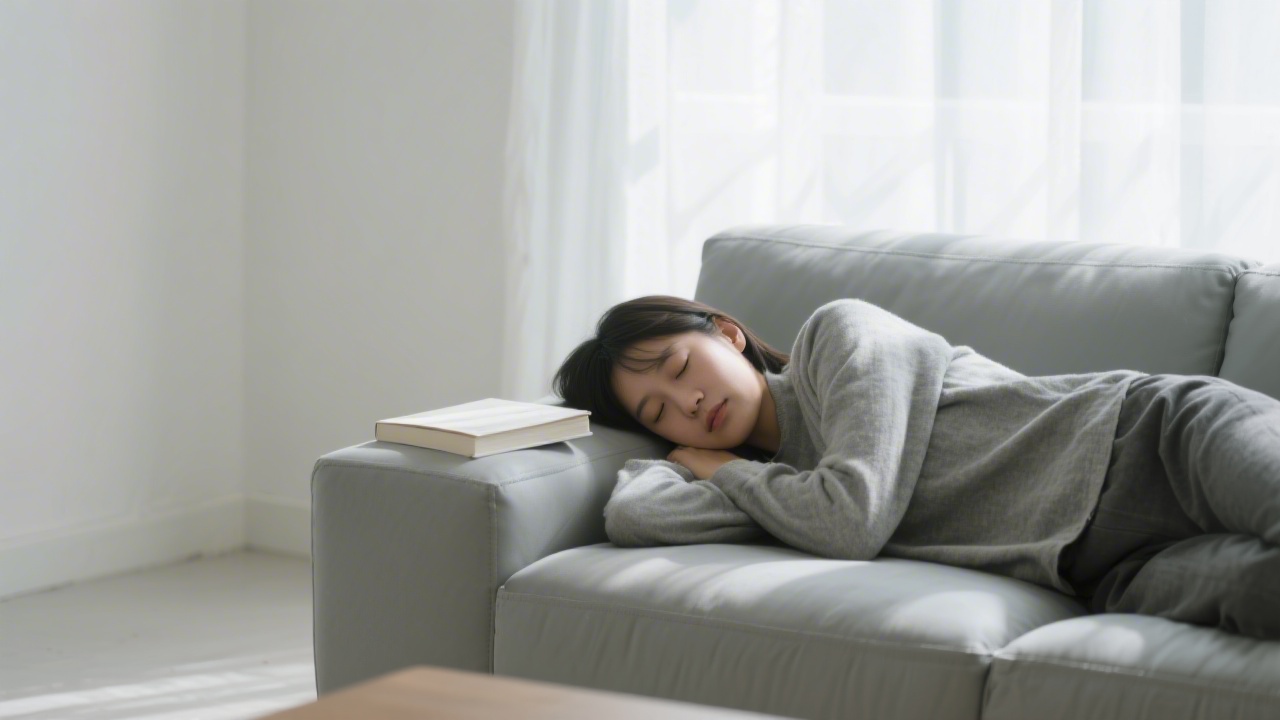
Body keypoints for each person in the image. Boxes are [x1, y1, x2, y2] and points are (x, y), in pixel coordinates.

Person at [551, 294, 1280, 641]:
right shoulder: (780, 495)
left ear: (728, 333)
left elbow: (851, 519)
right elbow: (633, 513)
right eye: (656, 415)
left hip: (1155, 437)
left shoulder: (840, 338)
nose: (687, 402)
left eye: (679, 367)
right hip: (1103, 569)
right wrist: (703, 468)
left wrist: (721, 470)